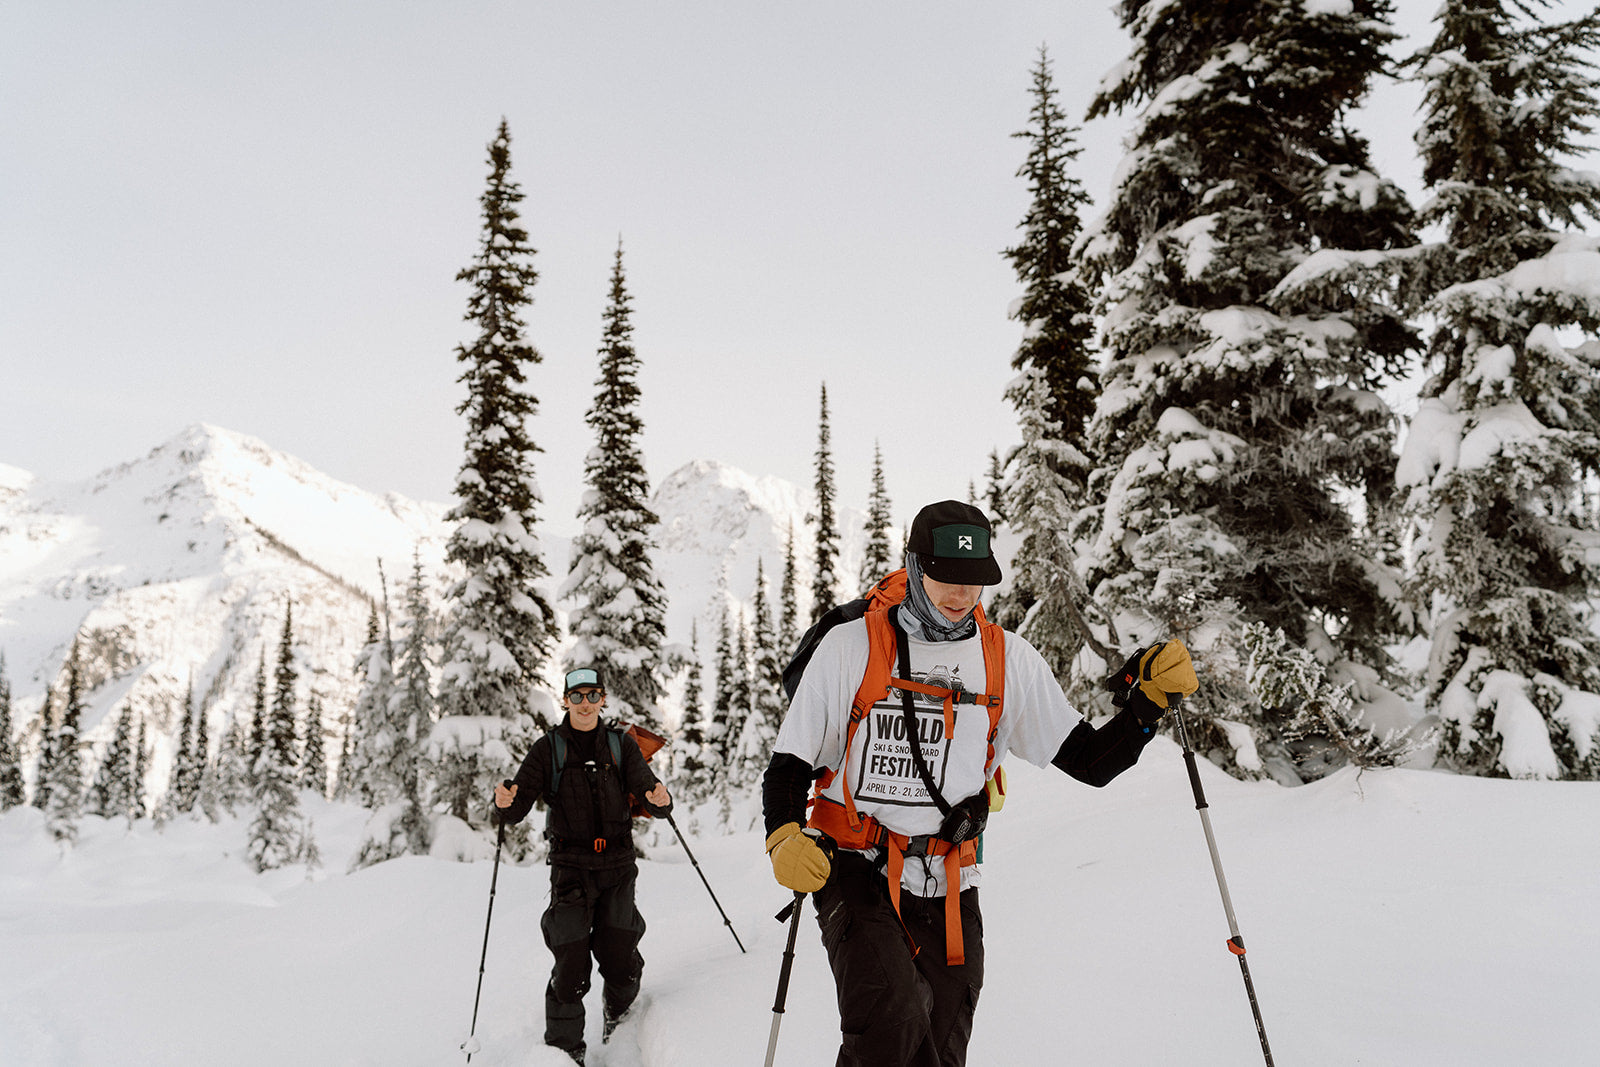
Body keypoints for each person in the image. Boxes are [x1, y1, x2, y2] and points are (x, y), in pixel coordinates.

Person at [761, 500, 1197, 1067]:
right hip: (854, 865)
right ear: (915, 567)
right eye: (946, 576)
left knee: (941, 1048)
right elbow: (789, 765)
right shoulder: (850, 649)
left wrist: (1146, 708)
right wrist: (783, 835)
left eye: (974, 580)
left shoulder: (1007, 661)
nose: (961, 594)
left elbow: (1090, 762)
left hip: (950, 876)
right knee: (889, 1025)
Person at [494, 667, 673, 1064]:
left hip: (618, 866)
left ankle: (621, 1022)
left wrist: (661, 798)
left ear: (603, 699)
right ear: (565, 701)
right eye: (577, 697)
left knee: (620, 957)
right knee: (571, 964)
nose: (586, 704)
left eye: (593, 695)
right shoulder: (548, 749)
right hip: (570, 869)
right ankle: (564, 1053)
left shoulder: (620, 745)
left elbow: (651, 793)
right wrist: (505, 802)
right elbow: (516, 808)